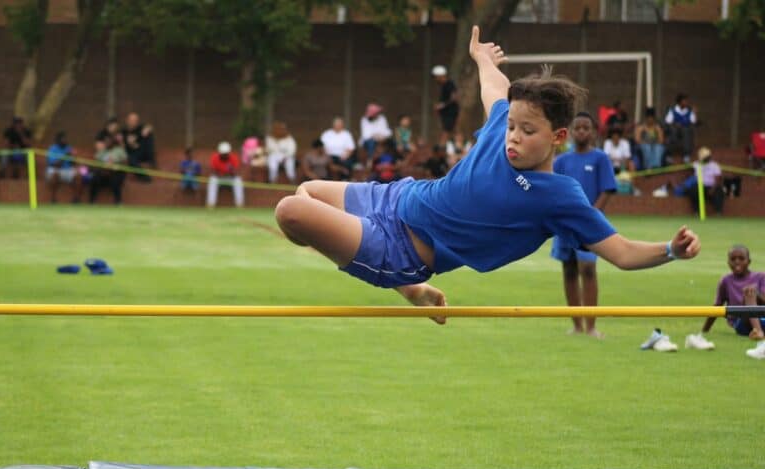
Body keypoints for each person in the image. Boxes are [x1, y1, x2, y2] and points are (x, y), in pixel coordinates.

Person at [274, 26, 700, 322]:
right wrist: (481, 58)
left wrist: (671, 250)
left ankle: (402, 282)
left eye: (528, 131)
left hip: (400, 250)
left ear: (558, 137)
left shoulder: (558, 196)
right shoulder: (502, 126)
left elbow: (622, 253)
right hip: (396, 197)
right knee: (306, 191)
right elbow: (494, 87)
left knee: (290, 212)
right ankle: (407, 291)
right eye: (512, 126)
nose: (513, 137)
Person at [551, 112, 617, 338]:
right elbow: (553, 190)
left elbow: (607, 189)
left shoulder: (600, 158)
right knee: (569, 270)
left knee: (588, 269)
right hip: (564, 225)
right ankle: (577, 325)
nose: (581, 131)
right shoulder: (561, 161)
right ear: (569, 132)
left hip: (589, 226)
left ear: (593, 132)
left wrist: (592, 215)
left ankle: (591, 326)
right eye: (577, 127)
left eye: (585, 128)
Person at [688, 245, 765, 354]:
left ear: (749, 261)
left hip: (762, 318)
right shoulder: (726, 281)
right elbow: (717, 306)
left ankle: (759, 330)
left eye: (741, 258)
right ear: (728, 262)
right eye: (733, 259)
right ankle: (758, 332)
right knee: (748, 294)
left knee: (751, 292)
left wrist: (756, 294)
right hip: (742, 322)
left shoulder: (761, 277)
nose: (737, 262)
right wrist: (704, 331)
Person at [90, 134, 127, 205]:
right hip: (103, 172)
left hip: (116, 172)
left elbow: (125, 162)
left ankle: (118, 201)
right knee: (94, 178)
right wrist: (102, 168)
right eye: (105, 141)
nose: (107, 143)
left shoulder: (119, 150)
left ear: (113, 142)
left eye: (108, 141)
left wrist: (118, 166)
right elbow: (95, 162)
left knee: (115, 180)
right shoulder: (102, 151)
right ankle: (92, 201)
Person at [46, 131, 81, 203]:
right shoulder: (52, 149)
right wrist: (66, 155)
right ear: (58, 140)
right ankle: (53, 198)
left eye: (66, 138)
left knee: (78, 176)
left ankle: (76, 198)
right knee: (54, 175)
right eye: (63, 139)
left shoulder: (69, 148)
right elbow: (55, 164)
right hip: (55, 169)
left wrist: (73, 157)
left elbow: (73, 164)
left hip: (67, 169)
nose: (65, 140)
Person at [207, 141, 243, 208]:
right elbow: (213, 171)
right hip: (219, 177)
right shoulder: (215, 157)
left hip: (230, 178)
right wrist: (220, 174)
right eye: (223, 154)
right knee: (212, 179)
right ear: (220, 153)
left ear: (229, 153)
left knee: (238, 180)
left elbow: (236, 172)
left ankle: (239, 204)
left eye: (226, 154)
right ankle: (211, 204)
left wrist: (231, 172)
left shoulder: (233, 158)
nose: (224, 155)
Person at [122, 112, 156, 181]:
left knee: (149, 136)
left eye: (135, 120)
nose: (133, 122)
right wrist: (130, 143)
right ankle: (144, 176)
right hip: (132, 154)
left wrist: (147, 130)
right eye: (131, 120)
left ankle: (151, 160)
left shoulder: (140, 128)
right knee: (131, 159)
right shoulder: (123, 131)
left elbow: (150, 127)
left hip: (143, 151)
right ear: (127, 120)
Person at [664, 93, 697, 163]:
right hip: (675, 129)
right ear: (679, 102)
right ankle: (669, 155)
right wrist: (675, 124)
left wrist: (694, 113)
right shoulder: (673, 110)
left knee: (686, 131)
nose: (686, 102)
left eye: (687, 101)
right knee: (673, 132)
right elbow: (668, 121)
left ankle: (686, 155)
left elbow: (693, 121)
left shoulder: (689, 110)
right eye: (684, 101)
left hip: (685, 130)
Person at [432, 65, 459, 144]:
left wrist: (442, 105)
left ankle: (442, 147)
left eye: (436, 77)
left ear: (441, 76)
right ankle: (456, 145)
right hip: (447, 113)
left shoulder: (449, 84)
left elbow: (454, 97)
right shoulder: (444, 85)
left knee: (447, 131)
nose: (435, 79)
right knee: (451, 130)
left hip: (450, 113)